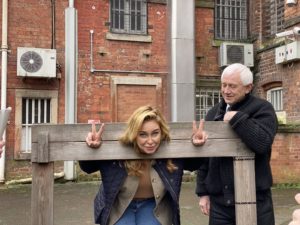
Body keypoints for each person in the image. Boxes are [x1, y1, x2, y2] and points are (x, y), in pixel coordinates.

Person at [80, 105, 207, 225]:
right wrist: (92, 150)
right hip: (120, 205)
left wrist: (198, 147)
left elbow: (193, 165)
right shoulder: (117, 153)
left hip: (153, 205)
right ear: (134, 134)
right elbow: (88, 168)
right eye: (143, 134)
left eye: (155, 133)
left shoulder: (171, 153)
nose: (150, 141)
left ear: (162, 133)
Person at [195, 63, 278, 225]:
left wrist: (236, 118)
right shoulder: (213, 112)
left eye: (232, 86)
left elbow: (262, 143)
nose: (226, 90)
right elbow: (206, 158)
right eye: (224, 85)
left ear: (248, 88)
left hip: (255, 199)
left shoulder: (263, 109)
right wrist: (203, 193)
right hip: (219, 203)